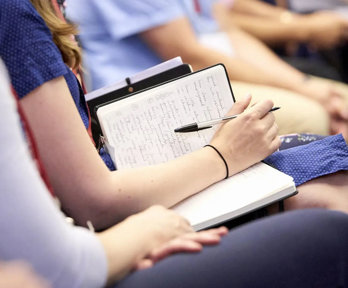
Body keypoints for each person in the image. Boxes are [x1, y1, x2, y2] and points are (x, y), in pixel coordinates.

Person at [1, 0, 348, 233]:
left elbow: (221, 28)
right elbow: (93, 203)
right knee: (327, 202)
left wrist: (306, 81)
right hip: (129, 133)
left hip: (121, 140)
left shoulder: (37, 10)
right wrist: (223, 156)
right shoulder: (16, 15)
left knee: (323, 155)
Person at [2, 59, 348, 287]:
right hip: (94, 245)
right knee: (331, 221)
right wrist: (222, 156)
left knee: (320, 155)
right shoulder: (16, 22)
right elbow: (63, 258)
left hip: (89, 223)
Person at [66, 0, 348, 138]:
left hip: (200, 77)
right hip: (151, 100)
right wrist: (306, 91)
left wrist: (304, 83)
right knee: (317, 116)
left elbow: (227, 34)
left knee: (338, 95)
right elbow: (191, 54)